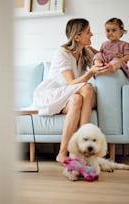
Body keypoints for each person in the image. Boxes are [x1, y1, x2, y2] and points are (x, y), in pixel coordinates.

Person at [32, 18, 111, 163]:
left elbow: (103, 57)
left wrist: (113, 54)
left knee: (77, 98)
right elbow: (70, 83)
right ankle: (82, 145)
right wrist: (91, 72)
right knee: (87, 87)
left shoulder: (85, 51)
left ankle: (65, 153)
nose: (92, 34)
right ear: (77, 37)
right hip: (54, 94)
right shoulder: (62, 53)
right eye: (88, 32)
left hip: (71, 96)